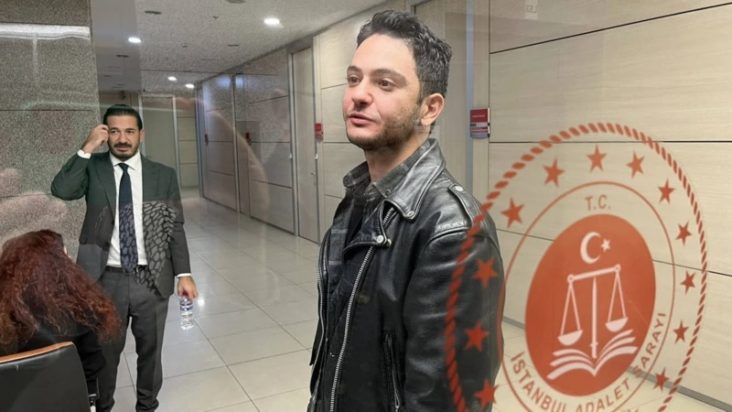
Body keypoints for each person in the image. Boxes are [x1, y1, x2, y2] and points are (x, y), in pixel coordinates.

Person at [307, 10, 505, 412]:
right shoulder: (359, 198)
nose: (359, 94)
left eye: (384, 83)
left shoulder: (453, 233)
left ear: (429, 108)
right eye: (353, 78)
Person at [51, 104, 199, 412]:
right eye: (115, 131)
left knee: (150, 353)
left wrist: (183, 273)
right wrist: (86, 148)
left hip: (151, 279)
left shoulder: (163, 175)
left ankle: (147, 406)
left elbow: (175, 226)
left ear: (141, 135)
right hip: (104, 279)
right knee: (104, 353)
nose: (122, 138)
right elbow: (62, 190)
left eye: (129, 131)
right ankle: (103, 406)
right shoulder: (93, 167)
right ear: (105, 134)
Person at [0, 230, 121, 400]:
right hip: (70, 399)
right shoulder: (82, 312)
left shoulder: (6, 317)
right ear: (57, 267)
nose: (70, 259)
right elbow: (93, 367)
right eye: (65, 255)